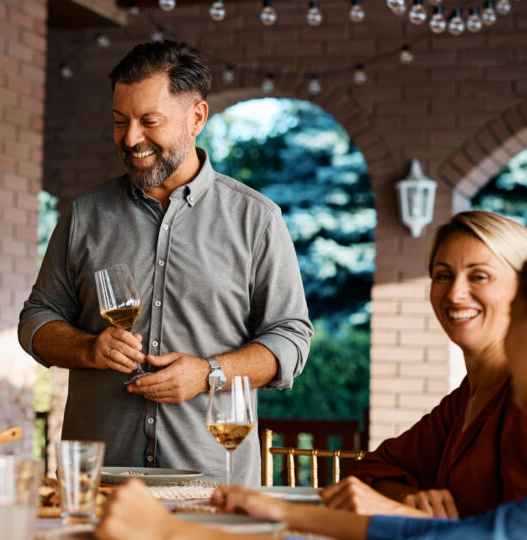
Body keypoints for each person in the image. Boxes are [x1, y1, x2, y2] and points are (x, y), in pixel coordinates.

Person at [96, 229, 527, 540]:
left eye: (520, 315)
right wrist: (281, 510)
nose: (508, 344)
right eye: (441, 275)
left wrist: (169, 531)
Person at [18, 40, 312, 484]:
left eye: (149, 121)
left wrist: (210, 373)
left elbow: (291, 338)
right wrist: (86, 348)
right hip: (100, 483)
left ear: (197, 117)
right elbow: (35, 321)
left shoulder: (256, 219)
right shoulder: (85, 215)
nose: (131, 138)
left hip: (213, 486)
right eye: (121, 121)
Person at [322, 211, 527, 518]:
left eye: (479, 276)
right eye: (443, 275)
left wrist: (416, 517)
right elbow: (367, 472)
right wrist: (409, 499)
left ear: (526, 289)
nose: (455, 294)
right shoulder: (464, 400)